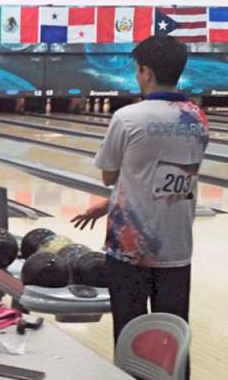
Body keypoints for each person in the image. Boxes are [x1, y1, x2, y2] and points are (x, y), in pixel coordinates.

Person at [71, 36, 208, 377]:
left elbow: (109, 176)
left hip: (129, 250)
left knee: (130, 334)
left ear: (145, 71)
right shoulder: (197, 118)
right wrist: (107, 205)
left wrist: (114, 194)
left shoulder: (127, 117)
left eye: (136, 69)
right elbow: (167, 181)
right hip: (177, 248)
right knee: (173, 338)